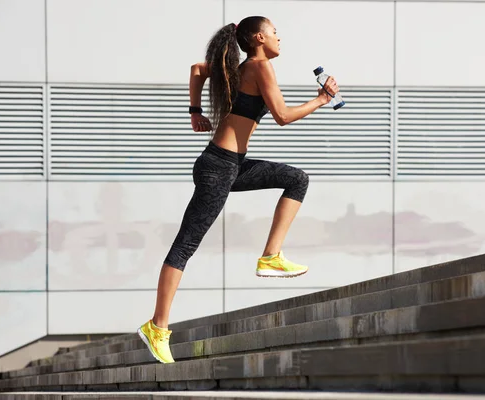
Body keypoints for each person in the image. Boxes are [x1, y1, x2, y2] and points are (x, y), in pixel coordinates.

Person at [137, 16, 340, 364]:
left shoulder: (239, 68)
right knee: (185, 246)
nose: (280, 38)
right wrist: (321, 100)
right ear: (259, 38)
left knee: (296, 178)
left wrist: (195, 112)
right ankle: (157, 326)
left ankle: (271, 256)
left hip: (231, 166)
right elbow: (282, 116)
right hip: (219, 168)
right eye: (276, 33)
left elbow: (196, 69)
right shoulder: (259, 67)